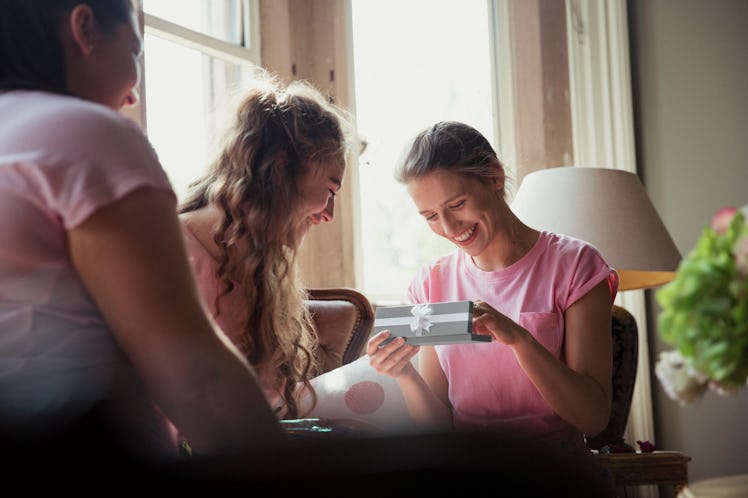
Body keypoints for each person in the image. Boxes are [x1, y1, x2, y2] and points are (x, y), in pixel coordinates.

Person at [0, 0, 284, 461]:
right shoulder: (85, 133)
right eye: (134, 50)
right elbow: (194, 373)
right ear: (85, 26)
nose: (132, 96)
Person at [368, 121, 619, 457]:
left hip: (555, 476)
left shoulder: (575, 265)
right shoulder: (431, 283)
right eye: (430, 216)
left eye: (456, 205)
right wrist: (404, 375)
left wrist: (520, 339)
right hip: (470, 475)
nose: (448, 227)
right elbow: (439, 431)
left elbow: (592, 419)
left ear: (494, 178)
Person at [178, 72, 352, 421]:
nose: (329, 215)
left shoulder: (265, 263)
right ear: (281, 168)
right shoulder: (171, 250)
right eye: (330, 192)